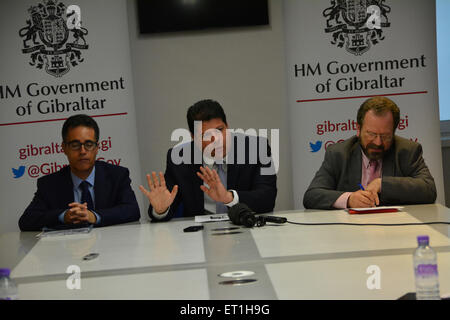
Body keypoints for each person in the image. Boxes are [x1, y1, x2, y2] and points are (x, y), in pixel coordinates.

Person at [140, 99, 277, 222]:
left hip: (246, 227)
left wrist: (229, 197)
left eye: (219, 130)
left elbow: (267, 198)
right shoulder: (179, 158)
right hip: (200, 237)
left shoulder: (256, 149)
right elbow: (167, 201)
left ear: (227, 126)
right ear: (193, 137)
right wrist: (161, 210)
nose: (216, 140)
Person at [303, 96, 437, 210]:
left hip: (395, 231)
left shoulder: (407, 151)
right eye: (371, 134)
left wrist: (382, 184)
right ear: (358, 129)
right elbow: (312, 195)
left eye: (385, 136)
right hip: (350, 231)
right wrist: (349, 199)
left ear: (394, 132)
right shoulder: (339, 153)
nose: (378, 142)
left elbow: (429, 190)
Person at [19, 114, 140, 231]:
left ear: (97, 148)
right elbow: (26, 220)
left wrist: (94, 216)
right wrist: (64, 216)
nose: (82, 151)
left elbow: (132, 210)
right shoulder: (49, 184)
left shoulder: (117, 175)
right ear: (64, 148)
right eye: (75, 145)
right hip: (68, 249)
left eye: (88, 144)